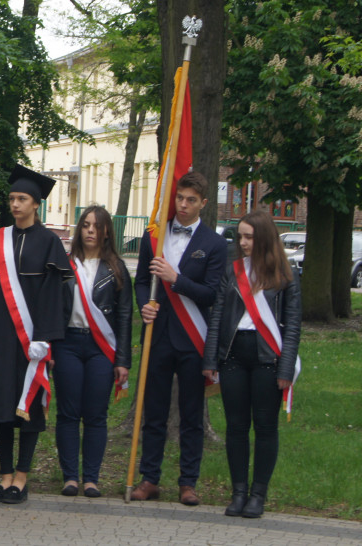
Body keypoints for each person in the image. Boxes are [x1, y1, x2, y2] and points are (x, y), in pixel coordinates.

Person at [0, 165, 70, 505]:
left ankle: (22, 478)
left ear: (36, 204)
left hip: (31, 342)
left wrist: (46, 337)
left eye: (22, 199)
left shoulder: (50, 242)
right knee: (1, 407)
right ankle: (5, 475)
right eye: (12, 198)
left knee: (28, 408)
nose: (15, 204)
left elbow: (54, 294)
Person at [131, 170, 226, 505]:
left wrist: (176, 278)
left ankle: (188, 482)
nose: (183, 206)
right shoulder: (154, 236)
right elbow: (141, 280)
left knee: (190, 414)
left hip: (192, 339)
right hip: (158, 336)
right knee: (154, 412)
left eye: (190, 200)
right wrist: (144, 305)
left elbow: (212, 294)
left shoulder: (214, 244)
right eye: (180, 198)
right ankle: (150, 478)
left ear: (203, 203)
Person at [203, 210, 301, 519]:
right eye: (240, 237)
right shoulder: (233, 272)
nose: (243, 243)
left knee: (265, 426)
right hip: (234, 356)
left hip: (267, 358)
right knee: (236, 426)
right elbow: (217, 315)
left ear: (264, 238)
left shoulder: (286, 275)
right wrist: (211, 358)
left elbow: (294, 326)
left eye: (249, 237)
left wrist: (286, 369)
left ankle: (258, 494)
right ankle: (239, 492)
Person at [55, 205, 132, 498]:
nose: (90, 230)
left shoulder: (117, 269)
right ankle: (70, 477)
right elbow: (53, 309)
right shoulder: (64, 264)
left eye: (96, 226)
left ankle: (91, 478)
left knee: (96, 415)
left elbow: (125, 318)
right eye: (85, 224)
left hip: (102, 348)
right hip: (68, 345)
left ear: (106, 232)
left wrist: (123, 360)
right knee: (68, 413)